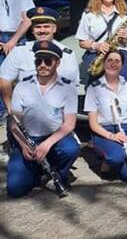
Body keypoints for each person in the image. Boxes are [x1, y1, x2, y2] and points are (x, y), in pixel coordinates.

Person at [6, 41, 79, 198]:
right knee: (15, 189)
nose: (43, 65)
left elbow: (69, 124)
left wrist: (46, 145)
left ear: (57, 63)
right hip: (27, 139)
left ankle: (58, 174)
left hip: (54, 138)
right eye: (38, 61)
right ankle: (38, 171)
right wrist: (24, 145)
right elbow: (14, 123)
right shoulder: (22, 86)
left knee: (71, 149)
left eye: (48, 61)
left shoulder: (69, 88)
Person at [1, 7, 79, 117]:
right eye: (38, 27)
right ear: (32, 29)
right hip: (24, 114)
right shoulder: (19, 51)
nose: (42, 30)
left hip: (56, 115)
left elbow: (72, 87)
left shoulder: (67, 54)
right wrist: (10, 108)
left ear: (54, 28)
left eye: (46, 26)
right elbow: (4, 80)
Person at [85, 49, 127, 183]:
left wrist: (126, 118)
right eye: (109, 60)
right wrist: (112, 136)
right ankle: (104, 160)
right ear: (104, 63)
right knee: (115, 157)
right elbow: (93, 124)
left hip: (125, 128)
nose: (113, 64)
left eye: (117, 61)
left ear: (122, 65)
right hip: (103, 130)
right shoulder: (94, 88)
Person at [0, 0, 34, 162]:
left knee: (21, 86)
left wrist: (12, 41)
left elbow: (28, 19)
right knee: (1, 88)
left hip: (17, 37)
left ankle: (18, 137)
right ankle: (4, 139)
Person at [75, 0, 127, 80]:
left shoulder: (124, 16)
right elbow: (82, 42)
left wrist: (125, 39)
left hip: (119, 56)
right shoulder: (89, 15)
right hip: (97, 57)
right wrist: (97, 45)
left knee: (125, 90)